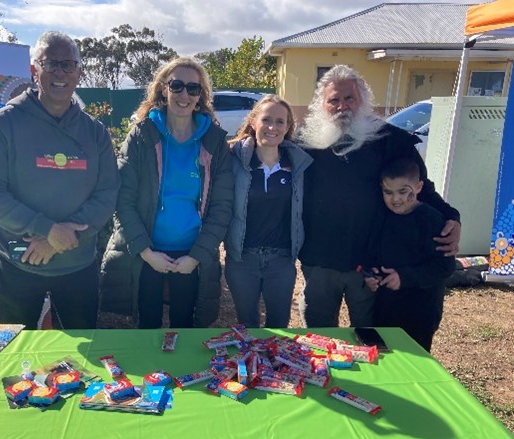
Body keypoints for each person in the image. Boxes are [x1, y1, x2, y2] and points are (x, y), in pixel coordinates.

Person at [0, 31, 120, 329]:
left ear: (79, 72)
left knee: (84, 360)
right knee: (14, 355)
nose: (60, 73)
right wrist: (47, 229)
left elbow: (107, 193)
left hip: (78, 265)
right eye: (51, 64)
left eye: (68, 65)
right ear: (33, 70)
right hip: (19, 263)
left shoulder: (95, 133)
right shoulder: (3, 124)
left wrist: (62, 238)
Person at [296, 64, 461, 328]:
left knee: (370, 338)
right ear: (322, 105)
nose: (342, 106)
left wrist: (452, 217)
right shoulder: (304, 143)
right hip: (319, 261)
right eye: (334, 100)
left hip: (371, 262)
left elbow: (421, 187)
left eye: (349, 98)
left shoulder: (391, 140)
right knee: (319, 338)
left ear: (363, 100)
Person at [100, 57, 233, 329]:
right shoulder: (141, 135)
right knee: (147, 327)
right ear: (164, 89)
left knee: (184, 327)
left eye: (193, 89)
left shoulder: (215, 142)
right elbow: (123, 201)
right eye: (177, 86)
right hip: (147, 252)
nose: (184, 95)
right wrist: (147, 253)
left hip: (190, 255)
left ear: (200, 96)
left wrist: (196, 256)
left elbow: (222, 207)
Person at [224, 95, 312, 327]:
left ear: (288, 127)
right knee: (247, 325)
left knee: (279, 326)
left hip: (281, 261)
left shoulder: (299, 165)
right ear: (253, 122)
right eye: (266, 119)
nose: (272, 127)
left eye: (280, 122)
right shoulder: (232, 161)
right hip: (242, 259)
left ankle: (275, 365)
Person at [364, 158, 456, 351]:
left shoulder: (431, 220)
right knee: (384, 360)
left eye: (403, 191)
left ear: (419, 186)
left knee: (414, 363)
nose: (395, 199)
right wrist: (370, 275)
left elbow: (444, 266)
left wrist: (404, 278)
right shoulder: (381, 216)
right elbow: (373, 254)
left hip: (420, 311)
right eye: (388, 192)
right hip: (385, 309)